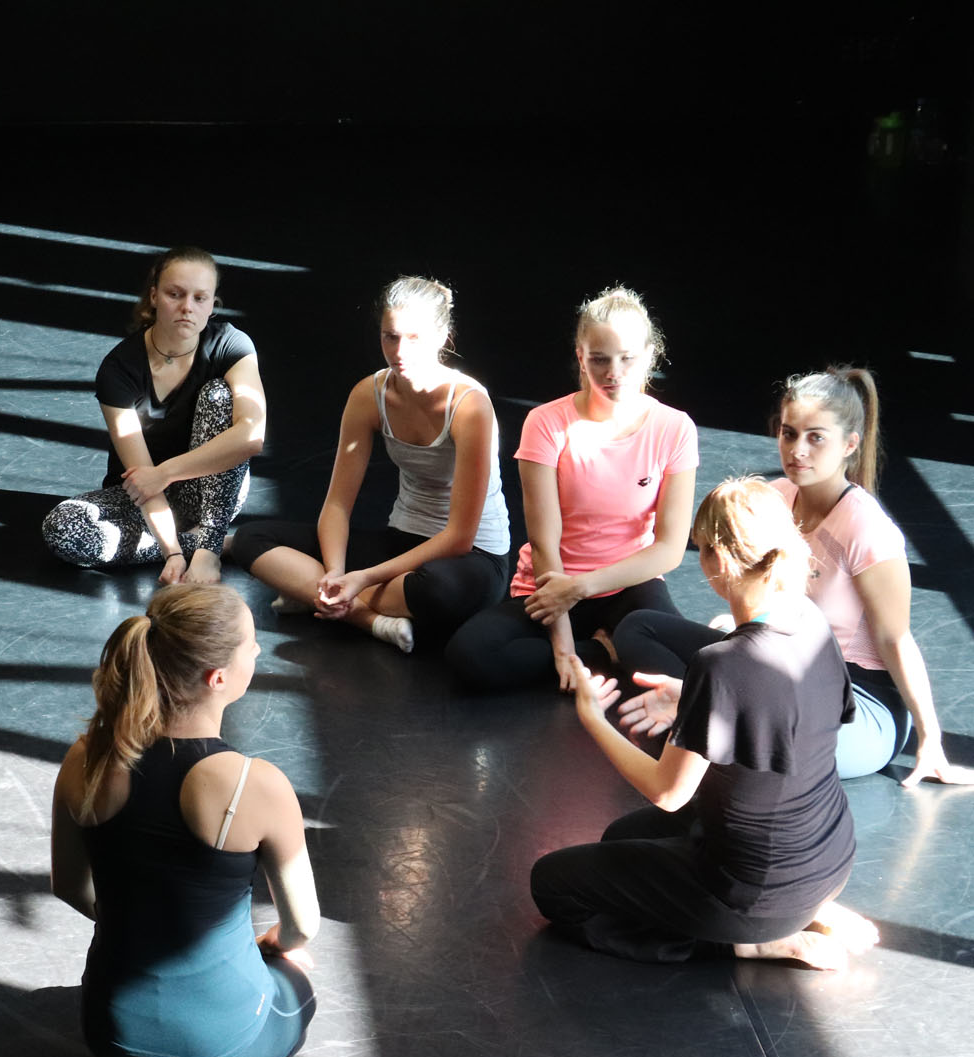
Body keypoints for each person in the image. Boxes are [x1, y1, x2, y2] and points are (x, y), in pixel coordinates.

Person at [531, 478, 878, 969]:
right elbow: (800, 720)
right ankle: (808, 908)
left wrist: (595, 719)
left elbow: (668, 792)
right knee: (621, 837)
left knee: (552, 884)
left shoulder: (723, 664)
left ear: (717, 561)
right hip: (828, 857)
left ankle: (748, 941)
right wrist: (698, 703)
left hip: (753, 893)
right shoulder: (811, 620)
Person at [51, 584, 319, 1057]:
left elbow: (68, 887)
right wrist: (274, 947)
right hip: (220, 1041)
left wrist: (146, 926)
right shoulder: (254, 783)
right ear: (218, 677)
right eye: (251, 644)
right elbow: (303, 926)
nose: (258, 652)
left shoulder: (85, 757)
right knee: (298, 983)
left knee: (137, 1013)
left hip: (110, 1029)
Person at [611, 368, 972, 786]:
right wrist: (743, 630)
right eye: (789, 433)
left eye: (816, 438)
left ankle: (702, 714)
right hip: (778, 670)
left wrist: (930, 740)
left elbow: (896, 639)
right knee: (640, 627)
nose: (797, 450)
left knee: (760, 741)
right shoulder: (778, 497)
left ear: (849, 445)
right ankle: (704, 712)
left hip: (858, 704)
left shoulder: (867, 529)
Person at [227, 276, 510, 652]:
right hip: (403, 539)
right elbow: (337, 504)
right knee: (250, 538)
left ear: (442, 337)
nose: (399, 351)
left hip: (472, 557)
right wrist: (335, 570)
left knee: (436, 590)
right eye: (390, 337)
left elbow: (460, 536)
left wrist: (362, 578)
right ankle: (368, 618)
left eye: (414, 338)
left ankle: (314, 593)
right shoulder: (369, 394)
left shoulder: (470, 405)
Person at [446, 286, 697, 690]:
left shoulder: (674, 428)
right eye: (599, 359)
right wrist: (564, 650)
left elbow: (669, 549)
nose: (614, 372)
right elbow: (544, 543)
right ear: (581, 357)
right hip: (552, 582)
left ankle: (614, 645)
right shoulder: (546, 423)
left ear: (649, 356)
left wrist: (581, 587)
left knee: (679, 671)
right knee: (471, 655)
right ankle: (602, 652)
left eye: (627, 358)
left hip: (628, 584)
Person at [41, 247, 267, 585]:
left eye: (200, 298)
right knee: (63, 529)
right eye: (175, 294)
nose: (187, 307)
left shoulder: (231, 345)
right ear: (154, 297)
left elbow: (251, 435)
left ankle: (208, 547)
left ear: (212, 305)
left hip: (210, 493)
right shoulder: (120, 368)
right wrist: (171, 552)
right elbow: (141, 476)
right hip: (140, 494)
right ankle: (216, 544)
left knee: (219, 395)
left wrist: (165, 473)